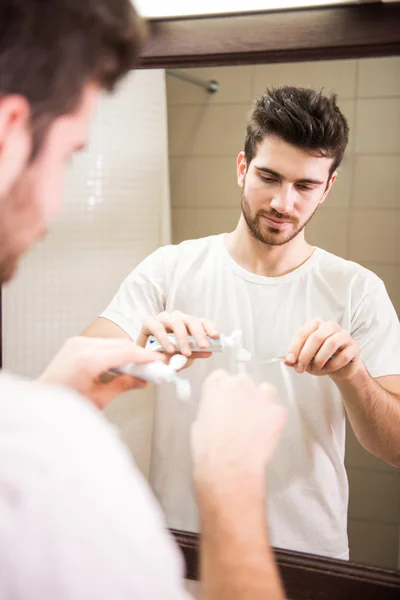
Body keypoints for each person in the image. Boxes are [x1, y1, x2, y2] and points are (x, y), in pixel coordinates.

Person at [0, 1, 287, 599]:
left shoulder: (360, 288)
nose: (56, 207)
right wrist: (232, 480)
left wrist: (47, 404)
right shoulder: (40, 455)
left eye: (305, 184)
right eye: (71, 154)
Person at [84, 85, 400, 561]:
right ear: (241, 168)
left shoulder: (358, 290)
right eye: (268, 177)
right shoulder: (169, 269)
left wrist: (353, 376)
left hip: (307, 557)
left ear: (328, 187)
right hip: (184, 548)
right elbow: (75, 380)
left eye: (305, 186)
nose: (283, 203)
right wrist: (142, 349)